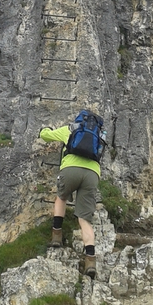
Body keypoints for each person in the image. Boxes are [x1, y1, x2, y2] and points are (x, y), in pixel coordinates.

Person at [39, 113, 104, 279]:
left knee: (61, 198)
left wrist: (44, 130)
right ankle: (90, 261)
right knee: (84, 219)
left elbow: (45, 136)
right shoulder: (98, 135)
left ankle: (56, 236)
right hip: (92, 174)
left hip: (70, 170)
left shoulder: (70, 129)